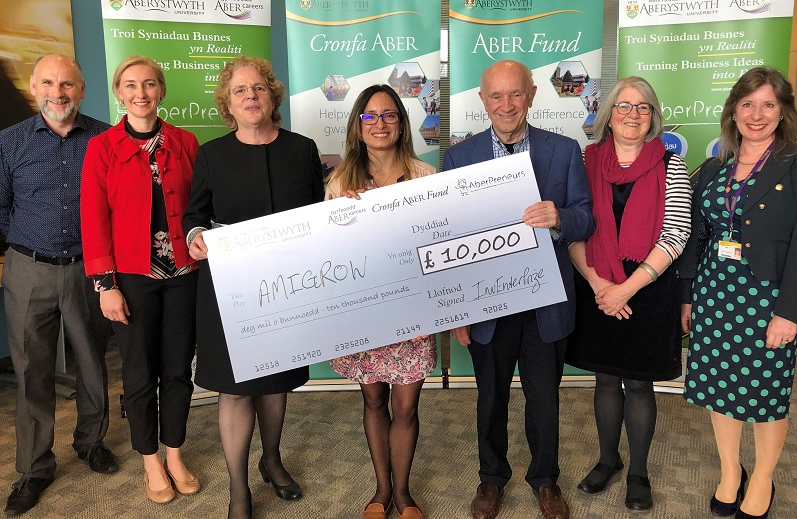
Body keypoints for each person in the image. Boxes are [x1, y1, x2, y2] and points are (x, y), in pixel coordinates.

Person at [443, 60, 595, 519]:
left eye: (515, 95)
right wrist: (458, 312)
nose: (506, 105)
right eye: (496, 96)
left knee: (544, 398)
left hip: (545, 301)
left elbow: (586, 217)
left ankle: (545, 479)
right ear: (482, 100)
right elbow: (449, 236)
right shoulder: (459, 157)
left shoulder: (565, 150)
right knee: (490, 397)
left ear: (531, 95)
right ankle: (491, 480)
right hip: (487, 305)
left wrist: (560, 218)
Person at [182, 55, 324, 519]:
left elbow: (317, 215)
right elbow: (193, 216)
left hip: (286, 286)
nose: (251, 97)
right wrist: (195, 237)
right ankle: (239, 490)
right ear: (228, 102)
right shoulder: (212, 154)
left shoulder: (301, 150)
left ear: (272, 95)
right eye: (240, 91)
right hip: (229, 291)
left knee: (275, 382)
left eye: (259, 88)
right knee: (237, 389)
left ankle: (272, 459)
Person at [564, 76, 692, 511]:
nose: (632, 114)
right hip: (597, 284)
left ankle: (638, 471)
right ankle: (607, 460)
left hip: (649, 288)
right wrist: (602, 286)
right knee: (604, 378)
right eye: (624, 106)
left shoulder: (670, 164)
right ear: (608, 115)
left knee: (638, 383)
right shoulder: (587, 161)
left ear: (653, 116)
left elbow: (676, 234)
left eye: (642, 107)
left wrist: (627, 289)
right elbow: (573, 229)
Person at [678, 66, 797, 519]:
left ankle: (763, 478)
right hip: (714, 296)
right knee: (717, 389)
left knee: (767, 395)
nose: (756, 114)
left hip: (768, 301)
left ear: (783, 110)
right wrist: (688, 296)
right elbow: (695, 235)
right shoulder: (714, 167)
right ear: (733, 111)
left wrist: (791, 311)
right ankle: (731, 472)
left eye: (768, 104)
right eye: (747, 104)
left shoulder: (794, 162)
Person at [0, 54, 118, 516]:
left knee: (93, 360)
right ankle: (34, 467)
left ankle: (91, 442)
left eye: (67, 84)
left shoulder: (105, 139)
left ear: (82, 90)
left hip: (89, 269)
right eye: (48, 83)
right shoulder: (9, 143)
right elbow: (1, 208)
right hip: (29, 270)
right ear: (34, 87)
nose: (58, 92)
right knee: (32, 370)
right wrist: (26, 243)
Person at [80, 55, 200, 504]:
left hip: (183, 274)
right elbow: (93, 217)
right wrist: (105, 284)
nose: (141, 93)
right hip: (130, 279)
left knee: (176, 370)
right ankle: (149, 458)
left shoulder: (186, 142)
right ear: (119, 93)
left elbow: (199, 206)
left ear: (161, 90)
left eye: (149, 84)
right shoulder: (102, 147)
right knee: (138, 371)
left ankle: (173, 453)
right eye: (130, 85)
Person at [326, 84, 436, 519]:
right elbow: (329, 256)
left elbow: (438, 241)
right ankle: (381, 490)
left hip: (413, 311)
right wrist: (343, 218)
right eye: (370, 116)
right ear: (357, 125)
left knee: (405, 405)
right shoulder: (340, 181)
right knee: (373, 400)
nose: (380, 124)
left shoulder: (426, 176)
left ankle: (404, 493)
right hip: (363, 313)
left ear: (402, 124)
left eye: (389, 115)